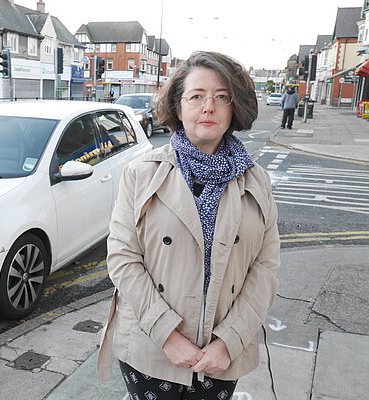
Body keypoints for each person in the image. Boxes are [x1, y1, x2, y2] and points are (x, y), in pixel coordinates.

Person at [97, 51, 280, 400]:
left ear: (234, 108)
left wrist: (230, 340)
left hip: (223, 352)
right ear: (179, 108)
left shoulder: (257, 182)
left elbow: (266, 268)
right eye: (196, 96)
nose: (208, 107)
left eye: (221, 97)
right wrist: (168, 335)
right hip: (152, 347)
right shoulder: (142, 173)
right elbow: (122, 259)